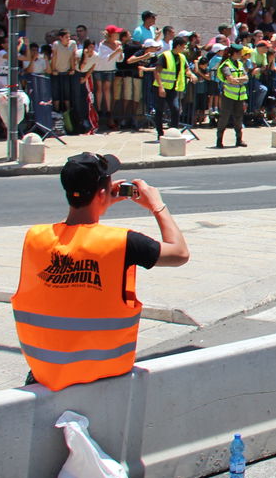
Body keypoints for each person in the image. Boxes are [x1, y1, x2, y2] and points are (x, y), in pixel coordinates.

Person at [11, 152, 189, 390]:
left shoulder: (35, 237)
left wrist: (100, 202)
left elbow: (74, 236)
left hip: (44, 375)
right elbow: (179, 253)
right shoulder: (123, 242)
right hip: (105, 378)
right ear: (103, 192)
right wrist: (157, 205)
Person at [153, 32, 189, 138]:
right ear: (178, 46)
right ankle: (160, 133)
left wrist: (191, 75)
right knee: (159, 110)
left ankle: (174, 131)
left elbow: (186, 69)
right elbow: (157, 71)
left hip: (173, 88)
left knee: (175, 109)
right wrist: (161, 87)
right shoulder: (165, 56)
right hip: (162, 87)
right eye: (183, 46)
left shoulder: (182, 57)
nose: (185, 48)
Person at [214, 44, 248, 148]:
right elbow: (230, 79)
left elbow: (246, 78)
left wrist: (237, 80)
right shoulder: (226, 65)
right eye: (239, 53)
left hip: (239, 96)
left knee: (238, 119)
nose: (240, 55)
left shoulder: (240, 64)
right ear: (233, 53)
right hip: (228, 95)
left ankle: (239, 140)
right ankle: (219, 140)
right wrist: (238, 80)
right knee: (224, 118)